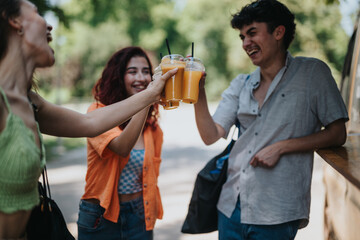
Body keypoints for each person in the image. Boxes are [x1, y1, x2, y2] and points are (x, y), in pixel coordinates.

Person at [0, 1, 177, 239]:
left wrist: (152, 93)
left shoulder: (30, 102)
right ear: (15, 22)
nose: (50, 26)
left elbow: (89, 123)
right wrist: (149, 95)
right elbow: (112, 136)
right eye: (37, 13)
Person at [193, 0, 349, 239]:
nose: (246, 43)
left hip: (277, 212)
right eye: (242, 37)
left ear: (278, 32)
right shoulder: (241, 84)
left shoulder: (313, 74)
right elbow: (210, 135)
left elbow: (337, 133)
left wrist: (282, 147)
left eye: (252, 33)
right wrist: (198, 92)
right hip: (230, 207)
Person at [77, 47, 163, 240]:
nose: (140, 78)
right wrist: (147, 98)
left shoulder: (152, 127)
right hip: (100, 215)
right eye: (132, 72)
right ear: (117, 77)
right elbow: (122, 147)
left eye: (146, 71)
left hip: (139, 215)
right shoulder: (97, 112)